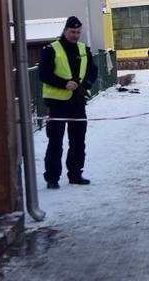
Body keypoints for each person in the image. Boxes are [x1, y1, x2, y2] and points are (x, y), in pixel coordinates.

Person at [40, 16, 98, 189]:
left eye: (78, 32)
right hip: (57, 103)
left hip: (78, 102)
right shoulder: (51, 49)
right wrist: (64, 84)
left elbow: (92, 71)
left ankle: (75, 174)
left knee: (78, 141)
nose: (75, 35)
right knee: (55, 142)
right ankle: (52, 178)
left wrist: (86, 84)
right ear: (65, 30)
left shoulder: (83, 49)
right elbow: (43, 74)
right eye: (72, 32)